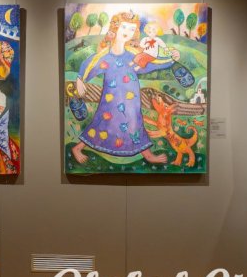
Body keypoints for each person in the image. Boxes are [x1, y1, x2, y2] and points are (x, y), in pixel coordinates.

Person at [71, 11, 179, 165]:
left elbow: (152, 63)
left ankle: (148, 155)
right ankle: (78, 148)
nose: (127, 32)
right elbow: (89, 64)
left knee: (135, 123)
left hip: (131, 100)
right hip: (110, 100)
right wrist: (80, 79)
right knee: (102, 123)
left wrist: (171, 59)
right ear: (115, 28)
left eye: (131, 29)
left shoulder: (134, 55)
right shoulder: (105, 56)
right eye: (124, 27)